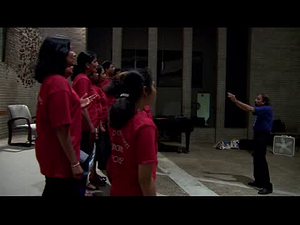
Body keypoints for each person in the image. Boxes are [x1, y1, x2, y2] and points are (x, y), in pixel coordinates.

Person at [34, 36, 86, 197]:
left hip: (54, 154)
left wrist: (77, 105)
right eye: (69, 49)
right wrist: (74, 162)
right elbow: (61, 128)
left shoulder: (52, 81)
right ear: (59, 54)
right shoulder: (59, 83)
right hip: (60, 158)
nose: (74, 53)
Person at [106, 69, 158, 196]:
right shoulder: (144, 126)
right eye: (154, 86)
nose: (156, 90)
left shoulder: (116, 117)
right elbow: (145, 179)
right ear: (145, 91)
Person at [228, 92, 273, 194]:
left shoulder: (266, 109)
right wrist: (235, 103)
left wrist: (235, 100)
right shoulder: (261, 110)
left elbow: (249, 108)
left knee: (261, 160)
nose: (256, 100)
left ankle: (267, 186)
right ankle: (258, 181)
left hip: (263, 136)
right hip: (257, 135)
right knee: (256, 158)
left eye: (258, 99)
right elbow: (246, 109)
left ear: (264, 101)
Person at [71, 51, 104, 192]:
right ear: (87, 64)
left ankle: (82, 188)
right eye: (95, 61)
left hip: (87, 126)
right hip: (84, 127)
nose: (97, 64)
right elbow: (82, 106)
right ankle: (81, 189)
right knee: (84, 159)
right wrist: (91, 128)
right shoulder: (83, 80)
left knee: (86, 158)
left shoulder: (82, 79)